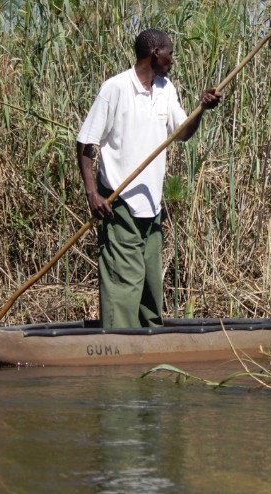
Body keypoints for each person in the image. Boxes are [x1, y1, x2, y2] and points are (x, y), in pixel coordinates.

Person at [76, 28, 221, 329]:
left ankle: (151, 348)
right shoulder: (115, 88)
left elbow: (183, 132)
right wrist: (93, 194)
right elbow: (85, 144)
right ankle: (119, 349)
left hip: (152, 206)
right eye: (170, 51)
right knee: (122, 283)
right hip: (118, 203)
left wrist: (202, 110)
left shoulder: (166, 88)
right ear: (155, 53)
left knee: (150, 285)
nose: (173, 58)